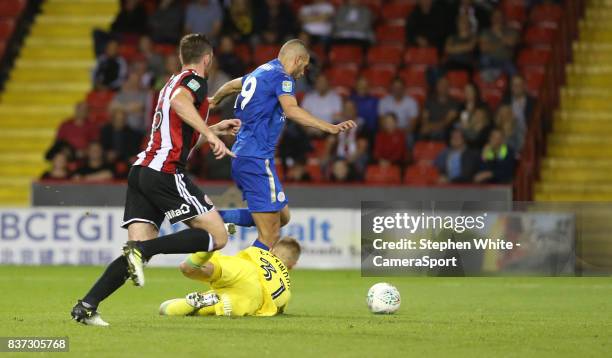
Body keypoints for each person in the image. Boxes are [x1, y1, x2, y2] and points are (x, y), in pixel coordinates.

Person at [71, 34, 241, 326]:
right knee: (218, 235)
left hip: (141, 171)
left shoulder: (168, 84)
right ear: (207, 58)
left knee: (136, 252)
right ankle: (143, 250)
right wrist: (212, 135)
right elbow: (180, 103)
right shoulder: (193, 81)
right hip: (164, 172)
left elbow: (175, 134)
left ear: (180, 56)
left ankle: (86, 305)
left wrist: (213, 127)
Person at [207, 39, 356, 250]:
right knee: (270, 235)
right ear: (297, 60)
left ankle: (216, 217)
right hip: (255, 158)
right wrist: (328, 127)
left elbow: (232, 85)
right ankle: (249, 276)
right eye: (304, 67)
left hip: (248, 156)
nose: (304, 73)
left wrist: (215, 99)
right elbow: (292, 109)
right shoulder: (282, 77)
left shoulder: (262, 71)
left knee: (283, 216)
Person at [159, 237, 301, 317]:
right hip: (255, 293)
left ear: (272, 250)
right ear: (293, 265)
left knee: (216, 269)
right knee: (226, 304)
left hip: (243, 267)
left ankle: (196, 260)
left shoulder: (261, 252)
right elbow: (278, 307)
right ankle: (211, 303)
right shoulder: (285, 285)